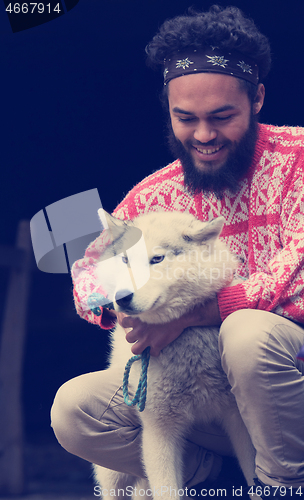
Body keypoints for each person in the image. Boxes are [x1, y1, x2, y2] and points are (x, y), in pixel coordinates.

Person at [51, 5, 304, 496]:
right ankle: (212, 480)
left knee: (248, 335)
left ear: (258, 100)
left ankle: (283, 483)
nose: (204, 136)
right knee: (77, 409)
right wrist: (125, 305)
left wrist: (198, 312)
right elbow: (87, 275)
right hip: (201, 392)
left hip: (289, 391)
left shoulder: (299, 160)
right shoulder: (154, 195)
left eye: (222, 116)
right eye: (185, 118)